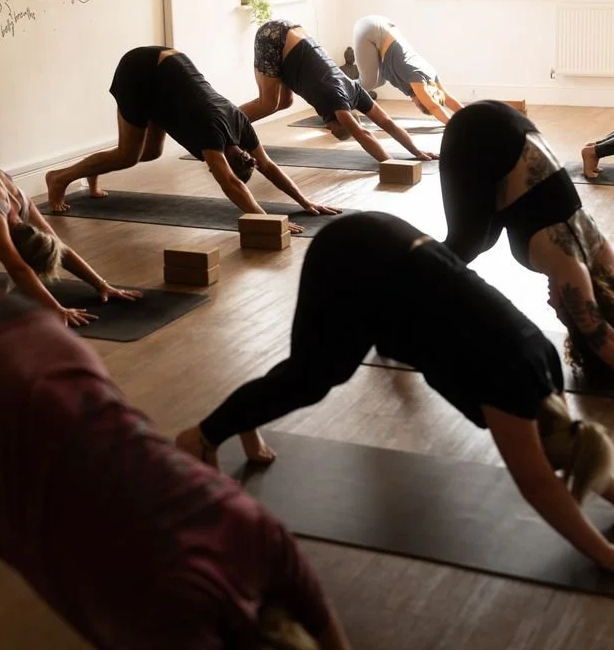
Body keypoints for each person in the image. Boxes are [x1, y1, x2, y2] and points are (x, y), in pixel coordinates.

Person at [176, 212, 614, 571]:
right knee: (313, 378)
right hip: (354, 258)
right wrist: (606, 556)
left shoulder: (547, 369)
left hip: (393, 251)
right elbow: (538, 484)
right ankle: (201, 437)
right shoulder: (512, 389)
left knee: (312, 371)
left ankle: (244, 419)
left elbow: (583, 459)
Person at [0, 293, 351, 650]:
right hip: (11, 370)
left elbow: (330, 635)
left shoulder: (266, 539)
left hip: (37, 337)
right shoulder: (171, 621)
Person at [46, 47, 339, 234]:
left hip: (168, 72)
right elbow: (232, 184)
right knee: (128, 155)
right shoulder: (212, 132)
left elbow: (269, 166)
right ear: (225, 159)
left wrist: (305, 201)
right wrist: (270, 221)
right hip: (141, 71)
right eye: (215, 168)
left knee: (148, 153)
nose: (212, 171)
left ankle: (92, 173)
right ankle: (59, 178)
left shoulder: (240, 125)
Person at [439, 100, 614, 379]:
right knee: (466, 243)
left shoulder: (603, 256)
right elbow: (602, 340)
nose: (552, 308)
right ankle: (397, 296)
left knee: (484, 239)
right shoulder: (570, 267)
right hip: (476, 133)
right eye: (562, 316)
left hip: (509, 129)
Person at [0, 147, 138, 328]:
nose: (35, 276)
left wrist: (102, 285)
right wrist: (57, 308)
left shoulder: (20, 202)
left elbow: (60, 248)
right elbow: (17, 268)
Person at [240, 21, 437, 164]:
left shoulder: (354, 90)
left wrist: (416, 151)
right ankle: (224, 124)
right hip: (275, 39)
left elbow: (387, 123)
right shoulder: (336, 101)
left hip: (292, 34)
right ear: (340, 120)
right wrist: (390, 163)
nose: (329, 129)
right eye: (335, 130)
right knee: (267, 103)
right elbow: (362, 133)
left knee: (284, 103)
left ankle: (229, 126)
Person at [352, 15, 463, 125]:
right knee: (368, 83)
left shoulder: (431, 76)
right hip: (370, 29)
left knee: (380, 81)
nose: (413, 102)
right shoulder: (417, 81)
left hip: (383, 25)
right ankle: (339, 90)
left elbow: (447, 99)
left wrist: (471, 116)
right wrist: (452, 126)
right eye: (417, 104)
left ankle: (345, 93)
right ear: (421, 100)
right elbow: (433, 106)